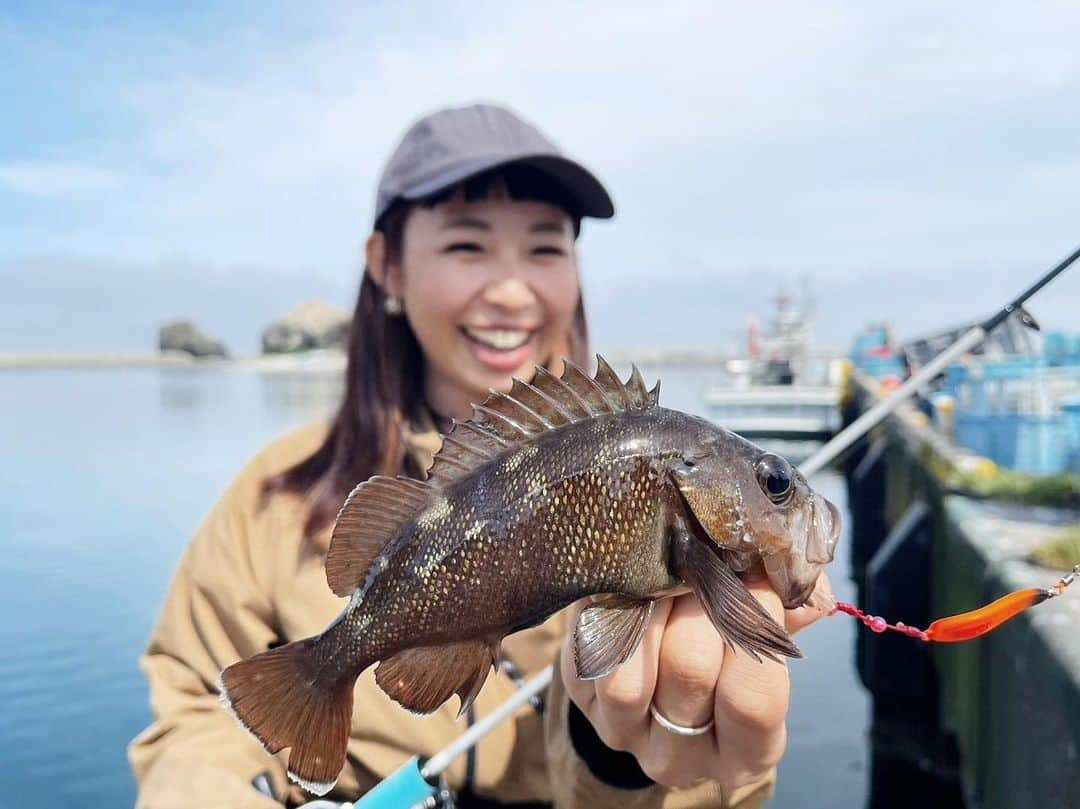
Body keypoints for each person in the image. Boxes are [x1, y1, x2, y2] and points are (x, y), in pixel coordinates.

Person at [129, 103, 830, 809]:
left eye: (546, 248)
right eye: (468, 246)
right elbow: (191, 724)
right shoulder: (272, 496)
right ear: (388, 266)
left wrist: (628, 767)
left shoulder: (640, 468)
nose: (510, 290)